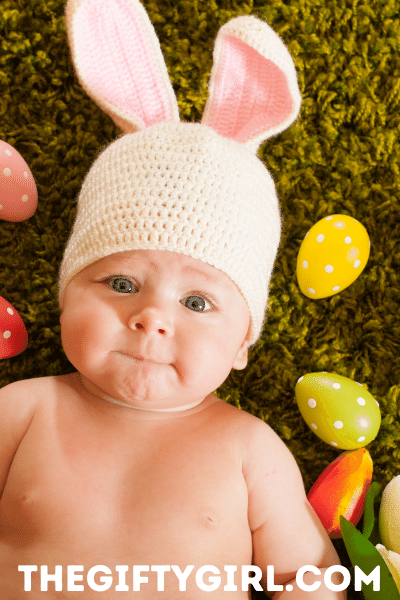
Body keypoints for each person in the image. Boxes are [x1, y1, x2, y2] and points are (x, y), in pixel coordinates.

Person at [0, 0, 346, 597]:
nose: (151, 317)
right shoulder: (24, 411)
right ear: (65, 298)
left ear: (243, 342)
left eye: (197, 303)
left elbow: (305, 577)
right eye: (122, 284)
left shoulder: (249, 448)